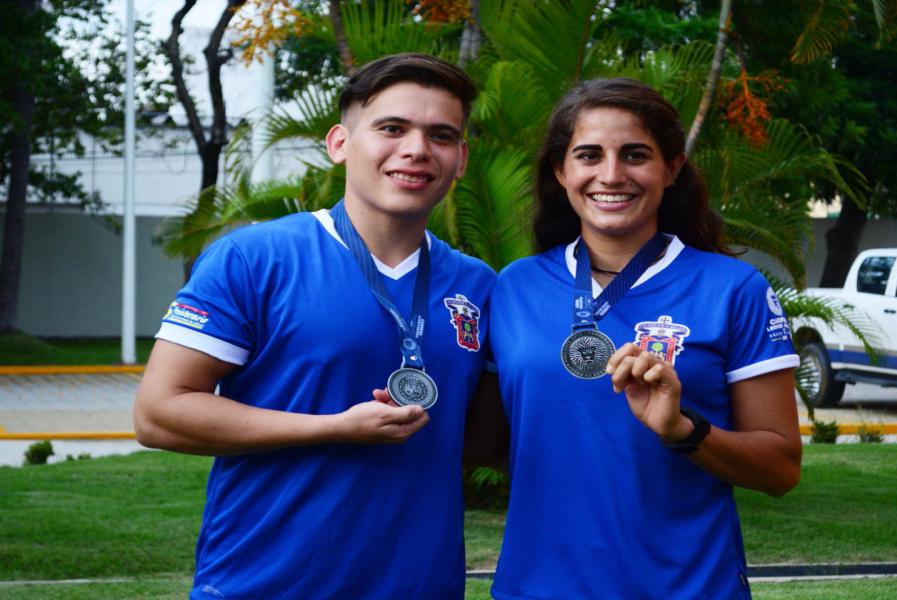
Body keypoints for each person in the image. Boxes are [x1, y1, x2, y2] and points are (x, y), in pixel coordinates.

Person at [134, 53, 495, 599]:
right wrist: (332, 428)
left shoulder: (479, 285)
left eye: (440, 135)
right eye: (391, 128)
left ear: (461, 158)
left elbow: (489, 434)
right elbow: (159, 415)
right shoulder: (255, 258)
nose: (417, 150)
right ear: (340, 144)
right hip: (264, 585)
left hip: (419, 585)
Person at [486, 78, 802, 599]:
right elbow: (489, 438)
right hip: (539, 586)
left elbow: (781, 468)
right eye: (588, 155)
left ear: (671, 168)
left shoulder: (733, 289)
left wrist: (683, 430)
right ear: (561, 171)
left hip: (688, 587)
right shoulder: (514, 287)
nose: (611, 175)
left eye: (635, 155)